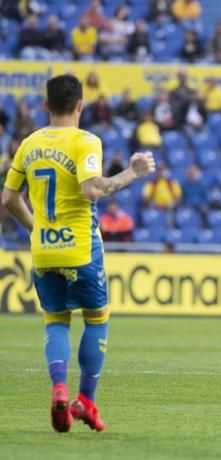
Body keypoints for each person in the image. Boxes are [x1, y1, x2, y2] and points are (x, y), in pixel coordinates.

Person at [0, 74, 156, 432]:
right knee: (97, 318)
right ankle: (85, 401)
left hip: (44, 251)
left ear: (46, 105)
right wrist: (132, 173)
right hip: (81, 249)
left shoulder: (28, 143)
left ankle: (58, 386)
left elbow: (8, 199)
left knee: (56, 320)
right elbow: (91, 190)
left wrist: (36, 227)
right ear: (81, 106)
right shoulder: (86, 141)